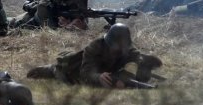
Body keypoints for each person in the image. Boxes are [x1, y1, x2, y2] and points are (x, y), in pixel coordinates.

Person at [26, 24, 162, 88]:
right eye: (116, 47)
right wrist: (98, 77)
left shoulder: (130, 51)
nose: (118, 50)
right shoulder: (95, 47)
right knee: (60, 71)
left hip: (110, 70)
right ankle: (51, 68)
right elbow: (86, 72)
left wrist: (123, 79)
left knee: (143, 74)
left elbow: (133, 64)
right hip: (74, 68)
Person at [10, 0, 91, 30]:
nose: (77, 3)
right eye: (74, 0)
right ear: (64, 1)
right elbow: (50, 33)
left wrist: (82, 24)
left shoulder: (71, 4)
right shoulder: (44, 7)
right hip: (19, 23)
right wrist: (68, 26)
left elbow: (84, 24)